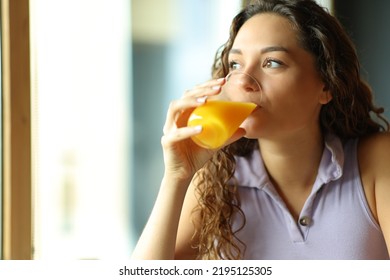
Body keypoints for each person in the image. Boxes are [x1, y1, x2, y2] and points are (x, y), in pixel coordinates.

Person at [131, 0, 390, 260]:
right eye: (235, 65)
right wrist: (177, 177)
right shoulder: (216, 180)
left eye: (273, 63)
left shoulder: (377, 161)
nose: (244, 80)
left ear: (326, 85)